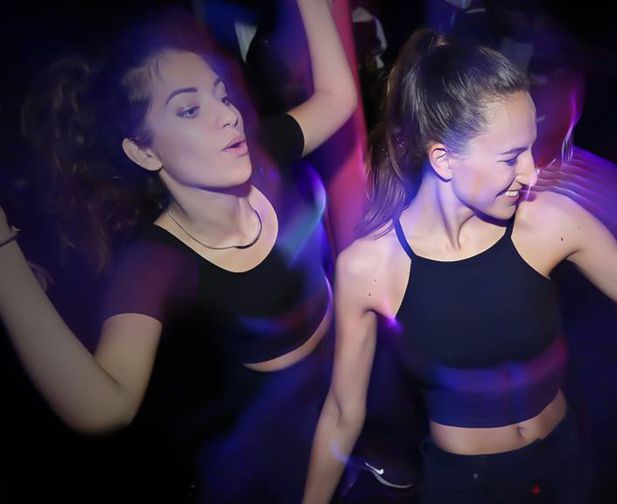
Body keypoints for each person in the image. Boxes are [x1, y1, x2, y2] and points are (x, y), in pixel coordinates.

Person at [301, 29, 617, 504]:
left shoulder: (548, 223)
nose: (531, 171)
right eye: (510, 157)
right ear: (443, 160)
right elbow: (343, 413)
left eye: (529, 148)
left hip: (566, 460)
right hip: (470, 485)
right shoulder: (369, 267)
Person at [0, 1, 355, 502]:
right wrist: (4, 258)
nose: (229, 115)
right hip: (282, 452)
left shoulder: (263, 152)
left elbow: (337, 99)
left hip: (352, 391)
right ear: (144, 151)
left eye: (222, 95)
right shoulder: (155, 261)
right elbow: (105, 406)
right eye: (190, 110)